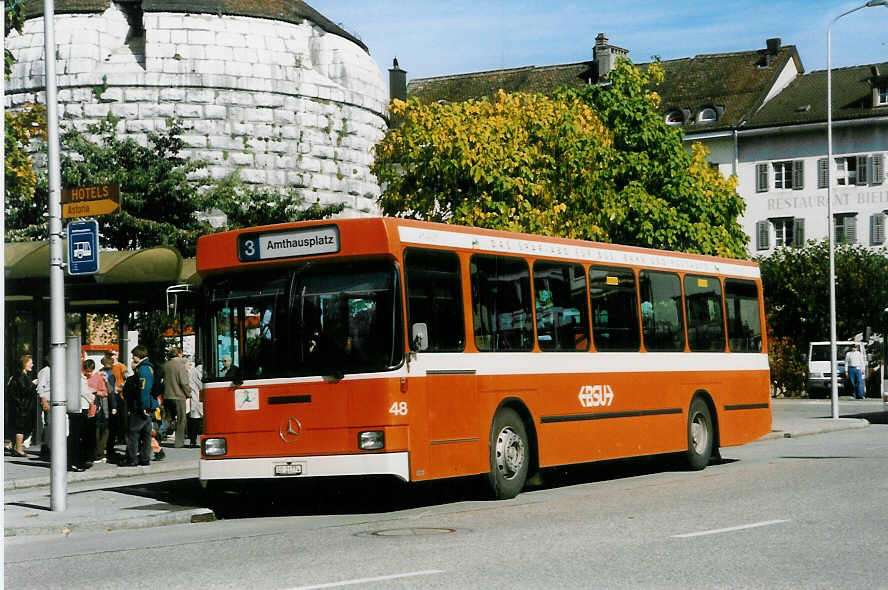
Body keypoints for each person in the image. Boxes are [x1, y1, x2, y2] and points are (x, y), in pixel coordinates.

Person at [124, 346, 157, 466]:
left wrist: (144, 406)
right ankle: (144, 458)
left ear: (138, 355)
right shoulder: (149, 367)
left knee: (134, 432)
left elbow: (144, 389)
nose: (132, 358)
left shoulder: (143, 369)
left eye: (134, 355)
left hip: (141, 406)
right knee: (146, 433)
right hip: (148, 404)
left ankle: (132, 459)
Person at [6, 354, 40, 457]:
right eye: (30, 363)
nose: (32, 365)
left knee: (19, 428)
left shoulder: (18, 376)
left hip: (19, 407)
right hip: (21, 407)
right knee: (21, 428)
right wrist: (33, 384)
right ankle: (19, 449)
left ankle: (12, 446)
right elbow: (24, 391)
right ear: (25, 364)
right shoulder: (21, 376)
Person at [163, 347, 192, 448]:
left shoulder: (166, 365)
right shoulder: (180, 366)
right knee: (181, 419)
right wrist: (188, 393)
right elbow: (184, 382)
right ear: (179, 354)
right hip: (179, 396)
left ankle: (158, 434)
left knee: (167, 418)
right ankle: (179, 442)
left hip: (167, 395)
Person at [185, 358, 204, 448]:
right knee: (198, 419)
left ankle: (192, 440)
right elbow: (202, 385)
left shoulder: (191, 371)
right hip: (199, 397)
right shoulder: (201, 371)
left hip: (193, 397)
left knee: (194, 419)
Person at [36, 362, 51, 460]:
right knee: (48, 425)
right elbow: (40, 387)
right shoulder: (45, 371)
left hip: (56, 402)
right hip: (48, 401)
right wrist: (44, 401)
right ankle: (46, 450)